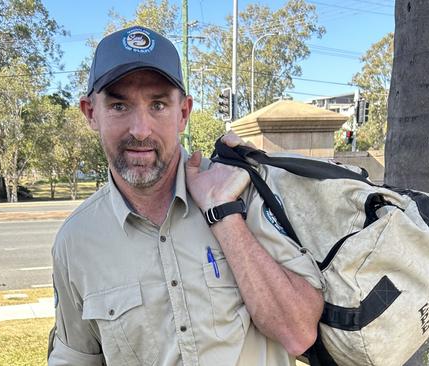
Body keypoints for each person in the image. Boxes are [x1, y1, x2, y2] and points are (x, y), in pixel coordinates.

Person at [48, 25, 324, 366]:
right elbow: (76, 356)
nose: (140, 129)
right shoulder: (75, 241)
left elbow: (298, 333)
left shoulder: (244, 191)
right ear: (91, 113)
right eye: (119, 106)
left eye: (159, 105)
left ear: (183, 113)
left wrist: (224, 215)